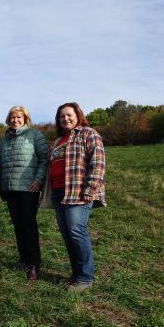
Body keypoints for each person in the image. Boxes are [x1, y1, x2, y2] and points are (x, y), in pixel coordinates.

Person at [45, 102, 105, 292]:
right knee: (67, 234)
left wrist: (90, 189)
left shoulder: (88, 133)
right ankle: (76, 274)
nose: (66, 119)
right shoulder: (57, 141)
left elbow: (98, 163)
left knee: (76, 231)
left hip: (77, 191)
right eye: (62, 116)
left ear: (78, 115)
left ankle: (85, 278)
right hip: (58, 192)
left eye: (69, 115)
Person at [0, 106, 48, 281]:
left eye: (19, 117)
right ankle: (24, 260)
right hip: (10, 189)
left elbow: (44, 159)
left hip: (28, 188)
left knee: (28, 225)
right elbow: (2, 163)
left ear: (25, 118)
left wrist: (38, 181)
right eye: (12, 117)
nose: (15, 120)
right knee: (18, 226)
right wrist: (2, 186)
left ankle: (34, 263)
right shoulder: (5, 139)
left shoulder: (35, 135)